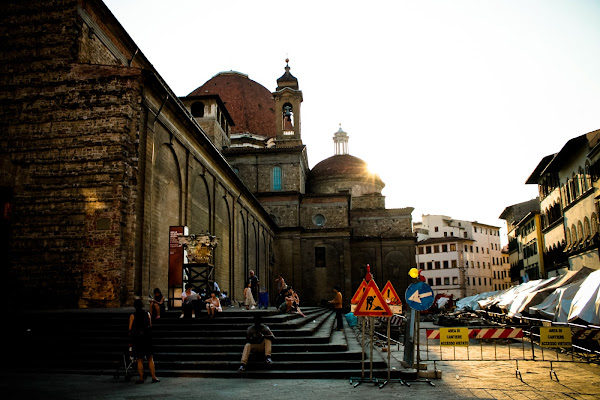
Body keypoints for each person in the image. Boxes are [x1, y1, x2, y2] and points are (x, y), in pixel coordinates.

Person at [128, 299, 159, 384]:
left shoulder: (132, 316)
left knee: (140, 359)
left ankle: (141, 378)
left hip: (138, 338)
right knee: (150, 358)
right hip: (147, 338)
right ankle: (154, 377)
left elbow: (130, 329)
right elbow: (150, 325)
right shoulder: (147, 314)